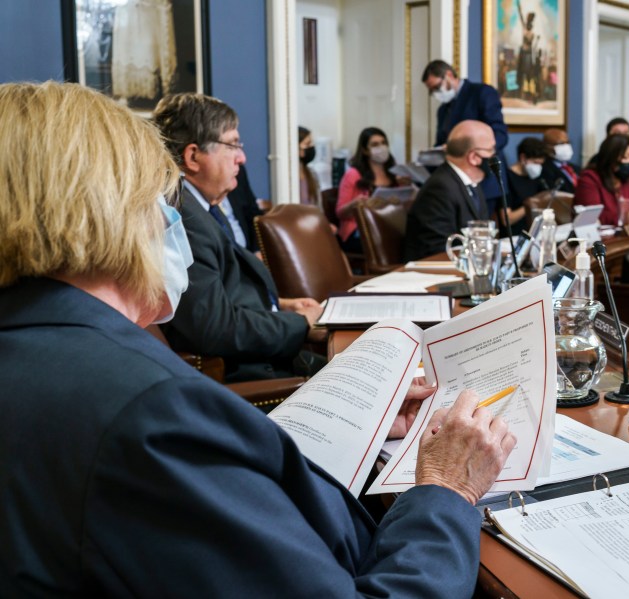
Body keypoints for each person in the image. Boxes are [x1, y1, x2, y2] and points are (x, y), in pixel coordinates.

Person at [0, 81, 516, 597]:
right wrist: (448, 488)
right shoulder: (153, 415)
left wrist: (361, 420)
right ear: (105, 213)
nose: (167, 221)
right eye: (158, 199)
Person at [152, 92, 325, 382]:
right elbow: (215, 327)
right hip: (253, 373)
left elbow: (218, 294)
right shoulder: (184, 219)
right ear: (193, 156)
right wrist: (298, 323)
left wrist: (280, 305)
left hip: (263, 356)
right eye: (232, 144)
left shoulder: (198, 207)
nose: (242, 158)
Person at [403, 120, 496, 261]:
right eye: (491, 150)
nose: (494, 155)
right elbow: (438, 249)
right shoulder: (440, 188)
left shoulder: (470, 182)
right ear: (474, 157)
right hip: (435, 271)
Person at [422, 59, 508, 207]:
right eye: (431, 91)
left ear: (449, 75)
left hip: (484, 177)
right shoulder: (442, 110)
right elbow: (441, 142)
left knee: (480, 228)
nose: (435, 93)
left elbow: (499, 134)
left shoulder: (481, 93)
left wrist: (476, 150)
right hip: (455, 183)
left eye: (436, 87)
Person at [336, 127, 403, 255]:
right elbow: (340, 212)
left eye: (384, 143)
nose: (381, 147)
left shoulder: (394, 173)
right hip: (361, 230)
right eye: (375, 144)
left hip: (388, 225)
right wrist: (355, 204)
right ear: (365, 150)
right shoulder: (353, 174)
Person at [574, 134, 629, 227]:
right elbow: (593, 217)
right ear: (611, 158)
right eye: (626, 157)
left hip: (628, 235)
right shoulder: (589, 179)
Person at [504, 137, 546, 235]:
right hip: (515, 234)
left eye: (541, 164)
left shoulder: (537, 177)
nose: (538, 167)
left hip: (536, 232)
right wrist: (529, 205)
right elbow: (507, 220)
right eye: (535, 162)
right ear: (523, 158)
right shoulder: (507, 178)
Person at [540, 128, 579, 193]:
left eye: (567, 142)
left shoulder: (576, 168)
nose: (566, 146)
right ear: (547, 147)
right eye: (561, 144)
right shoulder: (544, 170)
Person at [298, 126, 320, 206]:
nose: (311, 147)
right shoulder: (288, 179)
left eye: (311, 143)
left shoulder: (312, 174)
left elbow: (318, 206)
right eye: (307, 144)